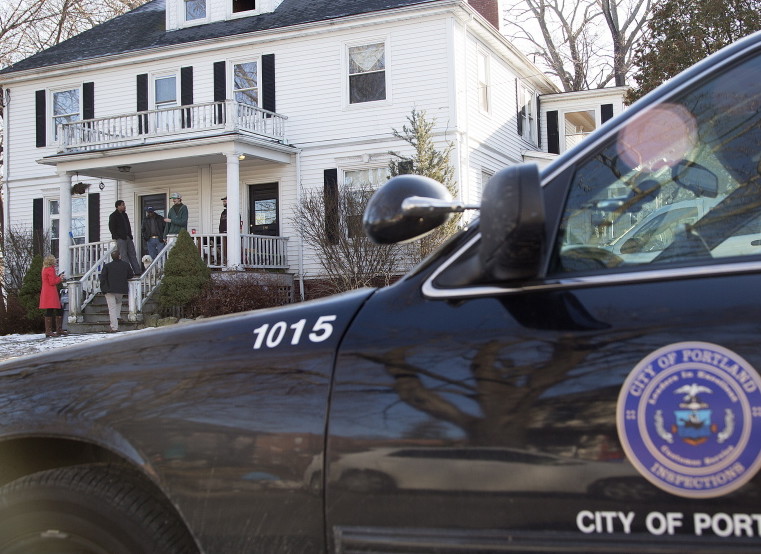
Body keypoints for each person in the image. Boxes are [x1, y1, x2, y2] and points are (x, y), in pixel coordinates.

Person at [99, 250, 133, 333]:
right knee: (118, 303)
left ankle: (114, 327)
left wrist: (103, 289)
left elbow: (102, 278)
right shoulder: (125, 265)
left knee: (112, 308)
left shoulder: (107, 266)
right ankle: (117, 316)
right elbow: (130, 275)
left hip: (109, 289)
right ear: (120, 256)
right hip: (121, 289)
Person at [109, 200, 142, 275]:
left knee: (132, 254)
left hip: (128, 237)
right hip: (120, 238)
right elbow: (112, 228)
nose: (124, 206)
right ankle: (128, 273)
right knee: (124, 256)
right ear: (118, 206)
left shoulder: (125, 215)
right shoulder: (113, 216)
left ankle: (137, 271)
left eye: (124, 205)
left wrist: (130, 235)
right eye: (122, 205)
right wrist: (117, 237)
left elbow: (128, 226)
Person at [39, 255, 68, 337]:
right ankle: (55, 330)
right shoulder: (50, 269)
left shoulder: (44, 269)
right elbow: (52, 282)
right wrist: (60, 278)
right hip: (51, 292)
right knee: (56, 309)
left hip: (46, 291)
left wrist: (57, 277)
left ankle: (50, 330)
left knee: (51, 309)